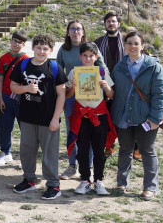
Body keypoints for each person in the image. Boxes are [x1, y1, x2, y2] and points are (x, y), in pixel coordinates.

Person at [109, 31, 163, 201]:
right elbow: (114, 92)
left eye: (136, 43)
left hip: (146, 118)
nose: (132, 46)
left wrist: (155, 118)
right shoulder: (119, 67)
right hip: (123, 116)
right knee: (125, 150)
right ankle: (122, 183)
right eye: (129, 43)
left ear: (143, 46)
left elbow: (160, 94)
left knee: (146, 150)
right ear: (125, 46)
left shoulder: (154, 67)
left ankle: (150, 187)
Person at [10, 34, 67, 200]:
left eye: (45, 49)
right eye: (38, 48)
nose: (41, 51)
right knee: (27, 150)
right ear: (32, 48)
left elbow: (61, 95)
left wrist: (56, 118)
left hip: (48, 118)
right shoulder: (24, 64)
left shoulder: (54, 67)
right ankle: (29, 180)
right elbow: (13, 87)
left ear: (50, 50)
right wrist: (26, 88)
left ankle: (53, 185)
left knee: (49, 153)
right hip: (27, 117)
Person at [56, 20, 107, 180]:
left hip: (90, 96)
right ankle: (72, 166)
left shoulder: (91, 47)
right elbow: (58, 71)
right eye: (72, 29)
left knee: (90, 129)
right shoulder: (64, 49)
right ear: (68, 32)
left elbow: (102, 67)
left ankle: (89, 166)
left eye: (78, 29)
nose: (75, 31)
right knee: (73, 130)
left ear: (83, 31)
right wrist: (63, 89)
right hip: (71, 95)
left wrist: (104, 84)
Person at [66, 42, 116, 196]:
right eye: (85, 56)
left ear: (96, 57)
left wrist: (106, 86)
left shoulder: (101, 71)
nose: (88, 59)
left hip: (98, 115)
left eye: (91, 56)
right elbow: (68, 95)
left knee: (99, 150)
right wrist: (73, 87)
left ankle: (99, 180)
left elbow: (111, 95)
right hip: (81, 116)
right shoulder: (74, 72)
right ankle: (85, 180)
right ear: (80, 56)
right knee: (82, 150)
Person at [94, 11, 131, 159]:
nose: (111, 23)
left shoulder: (127, 41)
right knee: (107, 116)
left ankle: (133, 147)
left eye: (113, 21)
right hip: (105, 85)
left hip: (125, 84)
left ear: (119, 24)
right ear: (105, 24)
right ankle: (109, 145)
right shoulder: (97, 43)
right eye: (108, 21)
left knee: (128, 115)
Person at [0, 30, 29, 167]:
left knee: (24, 128)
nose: (17, 44)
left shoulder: (26, 59)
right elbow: (0, 80)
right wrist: (1, 99)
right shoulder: (3, 59)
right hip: (7, 97)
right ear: (10, 41)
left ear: (24, 45)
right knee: (5, 126)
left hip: (21, 98)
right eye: (15, 41)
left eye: (20, 42)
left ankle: (25, 156)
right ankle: (5, 153)